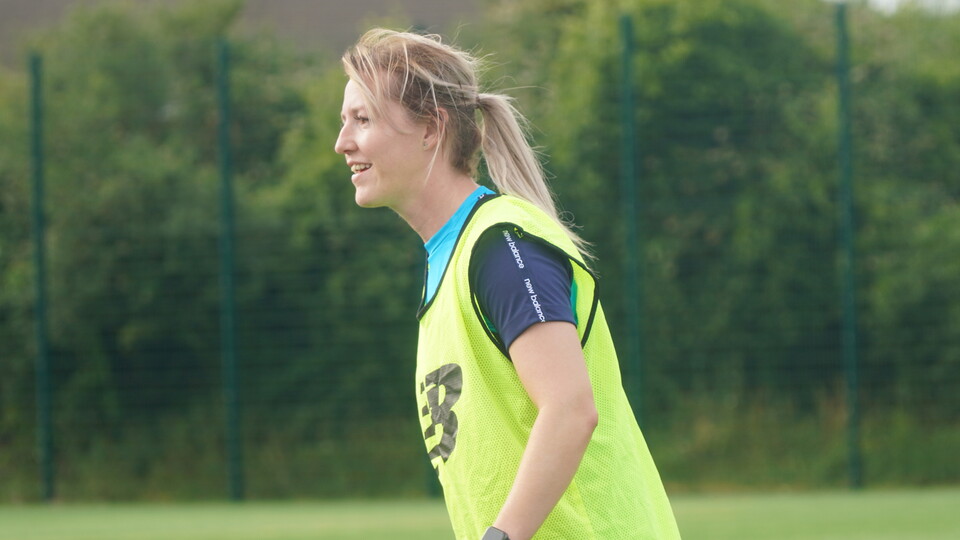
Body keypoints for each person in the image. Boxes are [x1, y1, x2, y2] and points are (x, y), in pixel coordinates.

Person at [334, 28, 681, 540]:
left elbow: (569, 409)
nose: (342, 142)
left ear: (431, 128)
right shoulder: (452, 263)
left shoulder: (499, 246)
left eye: (361, 119)